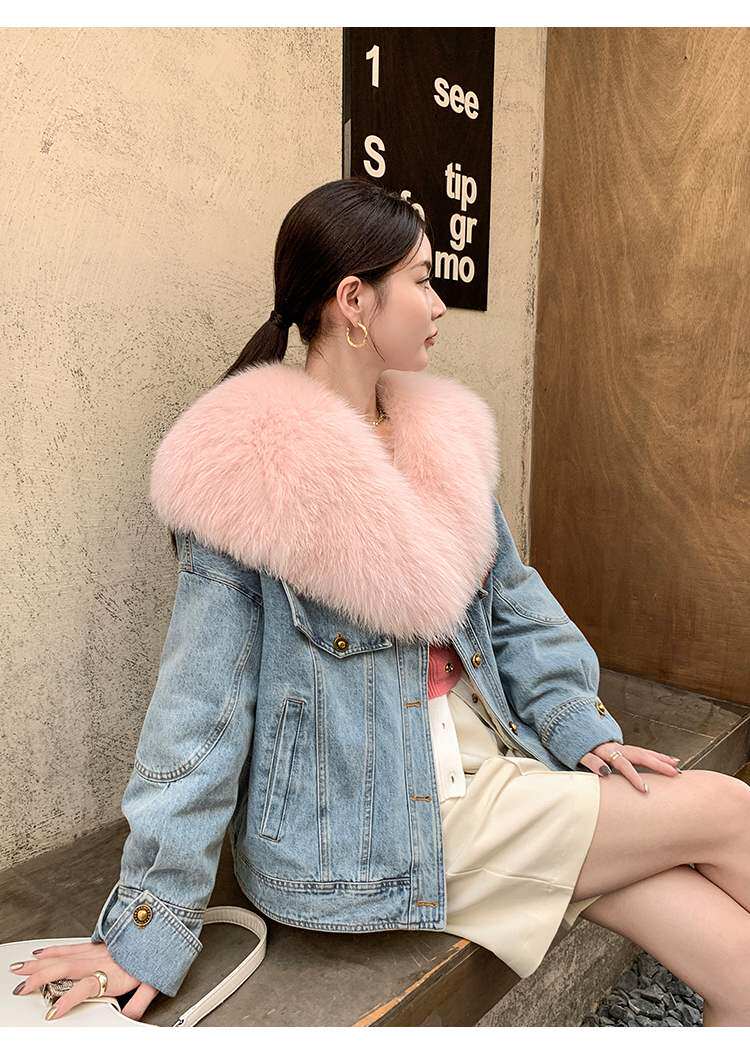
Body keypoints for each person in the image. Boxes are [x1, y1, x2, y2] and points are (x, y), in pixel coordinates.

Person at [11, 178, 750, 1026]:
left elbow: (514, 604)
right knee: (729, 810)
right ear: (355, 302)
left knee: (738, 969)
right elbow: (198, 712)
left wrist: (576, 725)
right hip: (365, 820)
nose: (438, 305)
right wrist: (148, 920)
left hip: (489, 759)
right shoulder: (248, 474)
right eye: (423, 281)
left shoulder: (441, 439)